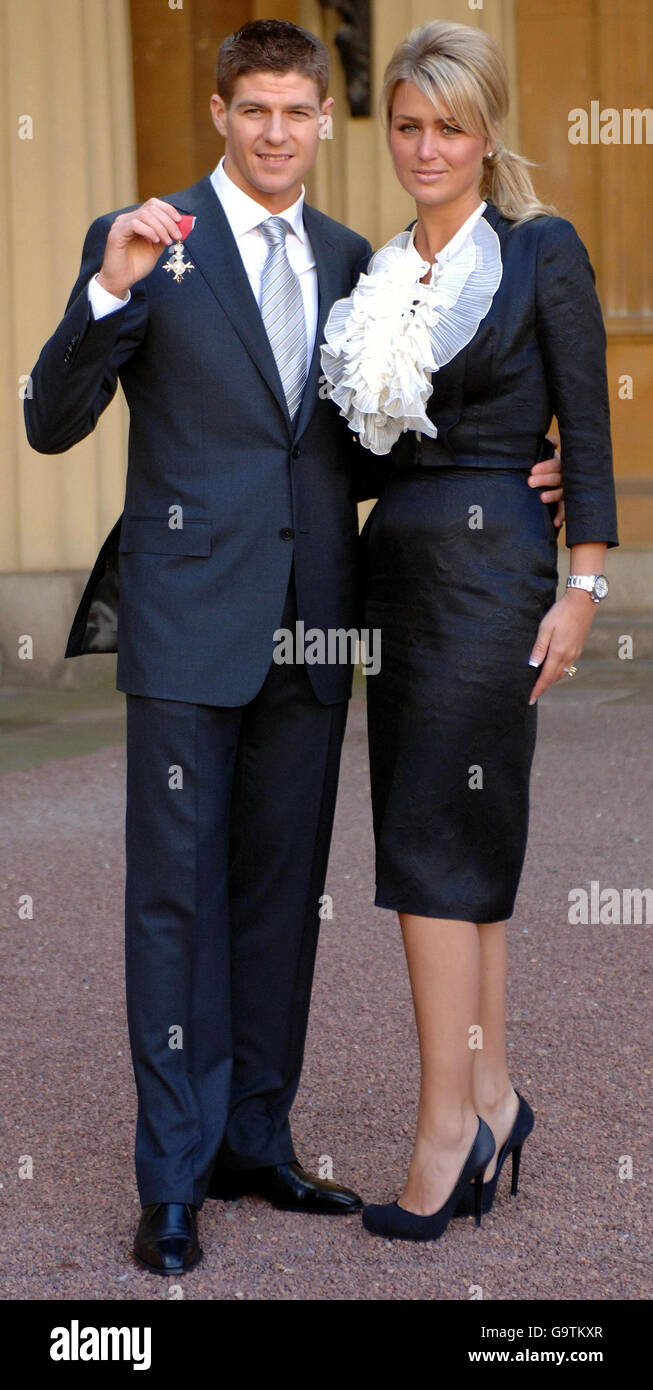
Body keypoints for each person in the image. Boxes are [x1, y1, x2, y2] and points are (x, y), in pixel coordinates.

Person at [24, 19, 562, 1274]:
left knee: (280, 901)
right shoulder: (149, 241)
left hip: (314, 625)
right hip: (183, 626)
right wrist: (106, 286)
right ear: (220, 113)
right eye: (253, 109)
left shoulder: (350, 260)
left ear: (325, 121)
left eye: (296, 111)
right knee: (173, 904)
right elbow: (52, 418)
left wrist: (511, 467)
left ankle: (255, 1141)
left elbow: (379, 433)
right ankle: (171, 1179)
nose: (276, 131)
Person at [320, 19, 617, 1242]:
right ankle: (489, 1095)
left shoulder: (539, 250)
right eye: (404, 125)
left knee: (437, 852)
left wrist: (582, 585)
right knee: (452, 844)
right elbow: (343, 452)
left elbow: (587, 430)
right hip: (397, 570)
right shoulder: (378, 278)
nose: (423, 147)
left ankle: (444, 1131)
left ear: (486, 132)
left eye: (447, 126)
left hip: (495, 572)